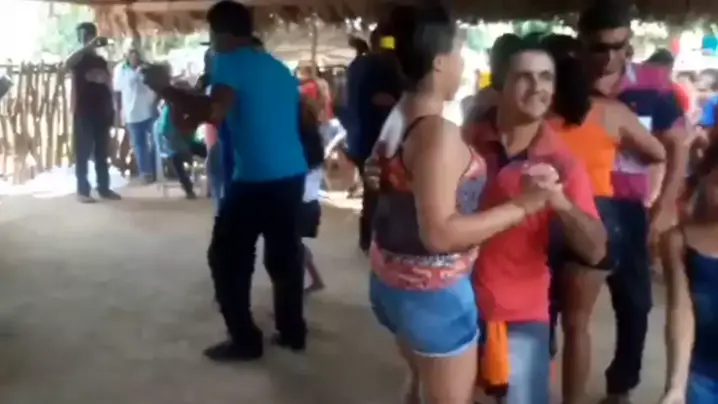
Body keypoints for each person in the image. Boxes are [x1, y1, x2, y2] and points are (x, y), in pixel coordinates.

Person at [368, 9, 560, 404]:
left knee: (422, 379)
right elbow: (439, 234)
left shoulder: (399, 114)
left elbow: (380, 176)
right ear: (440, 62)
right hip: (433, 295)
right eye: (458, 53)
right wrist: (524, 205)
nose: (462, 64)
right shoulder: (437, 133)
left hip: (391, 279)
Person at [143, 0, 308, 361]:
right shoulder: (276, 66)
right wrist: (184, 103)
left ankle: (245, 339)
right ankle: (292, 331)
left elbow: (213, 110)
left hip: (258, 177)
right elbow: (219, 107)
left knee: (227, 257)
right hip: (292, 172)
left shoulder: (229, 62)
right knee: (284, 255)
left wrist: (164, 89)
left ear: (220, 33)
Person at [468, 39, 607, 404]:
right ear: (499, 84)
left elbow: (596, 250)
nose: (538, 87)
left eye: (546, 77)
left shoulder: (562, 162)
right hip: (454, 302)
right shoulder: (466, 140)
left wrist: (558, 201)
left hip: (519, 312)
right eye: (525, 77)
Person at [542, 34, 666, 404]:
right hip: (596, 218)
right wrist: (646, 188)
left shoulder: (533, 112)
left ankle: (533, 391)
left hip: (542, 215)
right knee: (578, 324)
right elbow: (657, 152)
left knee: (539, 316)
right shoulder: (611, 112)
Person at [578, 2, 689, 402]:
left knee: (636, 304)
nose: (610, 57)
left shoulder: (655, 85)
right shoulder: (567, 83)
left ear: (630, 41)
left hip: (630, 210)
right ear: (582, 42)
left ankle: (620, 386)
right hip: (577, 208)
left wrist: (664, 206)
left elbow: (678, 146)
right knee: (560, 303)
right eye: (599, 47)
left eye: (619, 46)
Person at [660, 141, 718, 404]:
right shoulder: (679, 241)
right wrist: (676, 384)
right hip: (702, 376)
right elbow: (681, 311)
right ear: (706, 179)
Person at [344, 22, 403, 252]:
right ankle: (375, 240)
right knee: (380, 193)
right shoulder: (383, 65)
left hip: (357, 139)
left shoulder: (357, 65)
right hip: (377, 139)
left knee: (372, 192)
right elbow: (382, 99)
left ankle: (367, 238)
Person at [63, 22, 121, 203]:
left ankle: (103, 188)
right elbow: (66, 64)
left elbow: (108, 83)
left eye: (88, 36)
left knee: (102, 153)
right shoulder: (78, 60)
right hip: (84, 111)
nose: (86, 40)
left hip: (102, 110)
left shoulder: (101, 61)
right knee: (82, 152)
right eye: (83, 37)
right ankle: (83, 191)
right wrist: (87, 47)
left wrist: (114, 108)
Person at [113, 45, 158, 183]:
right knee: (139, 144)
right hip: (132, 112)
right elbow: (117, 87)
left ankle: (156, 170)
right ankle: (146, 172)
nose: (134, 56)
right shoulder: (121, 69)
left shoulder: (147, 69)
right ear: (126, 56)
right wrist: (135, 74)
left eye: (136, 53)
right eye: (131, 53)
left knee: (156, 141)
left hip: (149, 110)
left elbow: (155, 86)